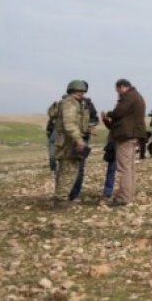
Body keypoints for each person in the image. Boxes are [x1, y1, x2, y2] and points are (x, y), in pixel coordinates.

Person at [101, 79, 146, 207]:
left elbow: (118, 112)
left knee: (124, 168)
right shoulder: (136, 96)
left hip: (126, 137)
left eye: (117, 90)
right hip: (131, 136)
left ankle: (124, 197)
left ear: (122, 87)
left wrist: (108, 114)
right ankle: (128, 195)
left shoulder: (129, 96)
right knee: (129, 167)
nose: (118, 94)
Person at [52, 80, 91, 209]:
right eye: (81, 92)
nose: (83, 94)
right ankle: (61, 200)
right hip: (68, 143)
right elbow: (69, 125)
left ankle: (61, 198)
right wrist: (79, 140)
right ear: (76, 91)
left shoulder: (73, 103)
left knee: (67, 170)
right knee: (68, 171)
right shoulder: (70, 103)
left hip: (69, 141)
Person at [69, 93, 99, 201]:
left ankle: (74, 194)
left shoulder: (88, 104)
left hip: (83, 138)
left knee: (79, 167)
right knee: (66, 166)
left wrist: (88, 127)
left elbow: (95, 119)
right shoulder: (67, 102)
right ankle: (63, 193)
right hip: (68, 139)